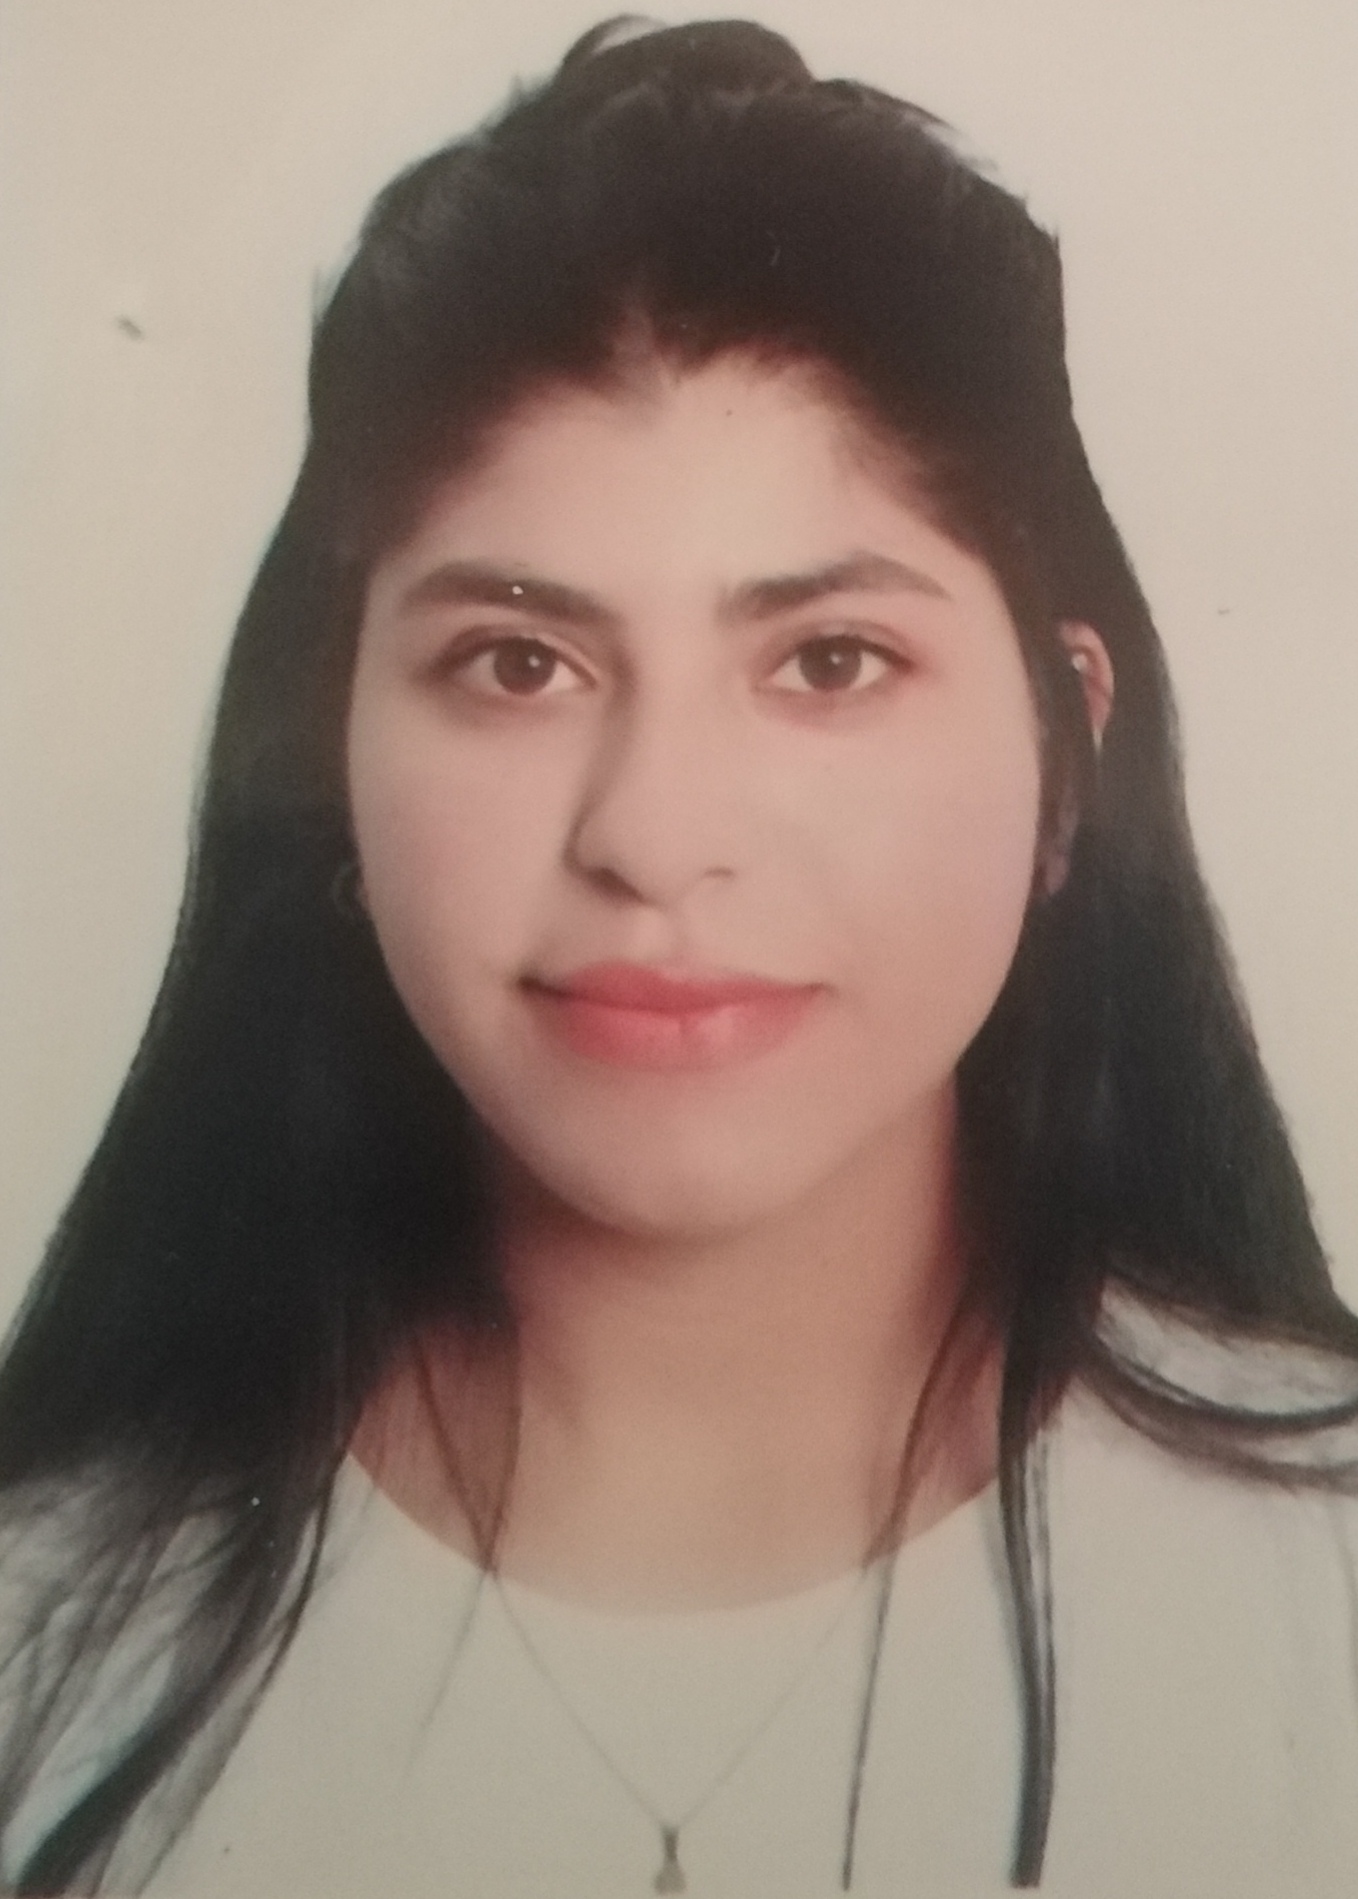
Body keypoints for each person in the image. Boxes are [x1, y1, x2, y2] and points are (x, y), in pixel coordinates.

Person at [2, 15, 1358, 1895]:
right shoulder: (46, 1639)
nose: (650, 833)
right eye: (518, 663)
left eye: (827, 662)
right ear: (326, 766)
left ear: (1065, 759)